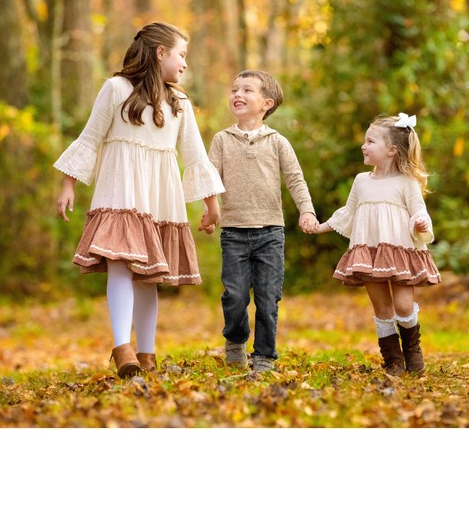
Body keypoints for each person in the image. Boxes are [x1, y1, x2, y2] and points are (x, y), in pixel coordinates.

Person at [54, 22, 224, 378]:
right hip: (120, 189)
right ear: (160, 52)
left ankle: (147, 355)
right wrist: (68, 184)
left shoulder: (179, 102)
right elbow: (90, 139)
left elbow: (194, 156)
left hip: (159, 198)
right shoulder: (116, 88)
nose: (185, 64)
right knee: (119, 264)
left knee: (149, 276)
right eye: (181, 54)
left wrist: (211, 205)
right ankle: (123, 349)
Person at [310, 113, 440, 375]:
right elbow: (348, 212)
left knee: (403, 305)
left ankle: (412, 351)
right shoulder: (361, 181)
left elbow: (419, 210)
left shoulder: (407, 183)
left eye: (370, 141)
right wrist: (321, 226)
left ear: (391, 150)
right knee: (382, 307)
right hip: (369, 253)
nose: (363, 146)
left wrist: (421, 223)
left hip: (400, 252)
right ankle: (393, 360)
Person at [208, 70, 317, 373]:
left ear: (266, 103)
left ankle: (265, 356)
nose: (237, 94)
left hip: (271, 231)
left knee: (269, 299)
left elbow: (295, 179)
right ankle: (235, 340)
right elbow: (211, 180)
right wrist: (210, 210)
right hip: (234, 231)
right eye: (234, 90)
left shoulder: (277, 142)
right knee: (235, 295)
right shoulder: (221, 140)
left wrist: (306, 210)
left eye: (247, 90)